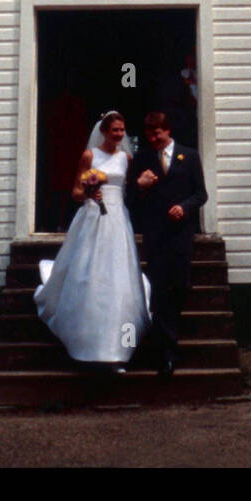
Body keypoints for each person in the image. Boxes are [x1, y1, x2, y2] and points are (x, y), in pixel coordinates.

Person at [33, 111, 151, 367]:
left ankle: (118, 345)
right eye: (115, 130)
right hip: (93, 216)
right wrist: (88, 193)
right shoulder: (90, 155)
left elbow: (132, 187)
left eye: (122, 130)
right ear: (104, 131)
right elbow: (75, 191)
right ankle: (85, 338)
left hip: (117, 217)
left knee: (117, 271)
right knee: (91, 269)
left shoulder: (126, 158)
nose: (120, 135)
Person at [129, 110, 208, 379]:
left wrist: (185, 208)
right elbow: (131, 196)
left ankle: (172, 335)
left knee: (180, 285)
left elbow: (201, 194)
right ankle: (166, 353)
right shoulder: (142, 158)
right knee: (160, 289)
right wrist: (140, 186)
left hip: (181, 234)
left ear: (167, 130)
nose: (152, 138)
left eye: (157, 133)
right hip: (155, 234)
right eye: (149, 134)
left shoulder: (190, 156)